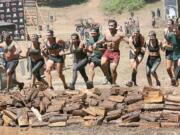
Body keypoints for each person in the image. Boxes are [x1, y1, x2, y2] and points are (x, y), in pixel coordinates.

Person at [101, 19, 127, 86]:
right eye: (109, 25)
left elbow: (128, 41)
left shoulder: (120, 33)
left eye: (112, 26)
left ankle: (113, 82)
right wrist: (98, 43)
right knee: (102, 63)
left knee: (113, 69)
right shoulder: (106, 32)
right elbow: (103, 39)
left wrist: (133, 48)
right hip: (108, 51)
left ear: (115, 26)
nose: (110, 27)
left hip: (115, 52)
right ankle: (107, 76)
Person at [163, 19, 176, 86]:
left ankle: (176, 81)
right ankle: (172, 79)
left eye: (170, 24)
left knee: (174, 68)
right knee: (168, 68)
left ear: (173, 25)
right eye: (167, 23)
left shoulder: (175, 31)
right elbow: (165, 40)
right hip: (168, 51)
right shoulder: (165, 31)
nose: (168, 25)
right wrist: (163, 45)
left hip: (175, 51)